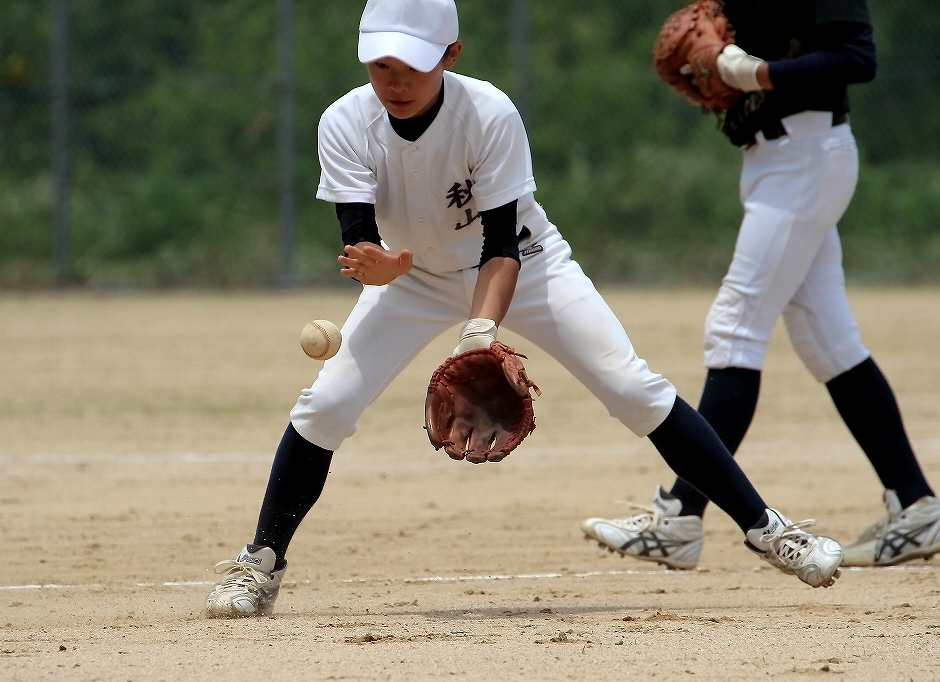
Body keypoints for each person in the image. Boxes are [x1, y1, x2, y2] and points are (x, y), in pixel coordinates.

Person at [204, 0, 846, 618]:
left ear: (450, 54)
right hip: (411, 280)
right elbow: (359, 237)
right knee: (326, 406)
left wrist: (478, 334)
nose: (395, 81)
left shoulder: (487, 113)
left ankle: (770, 530)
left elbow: (501, 247)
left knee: (632, 387)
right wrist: (376, 265)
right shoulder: (344, 121)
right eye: (380, 66)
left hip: (527, 267)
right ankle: (260, 561)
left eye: (413, 65)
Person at [581, 0, 939, 571]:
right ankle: (916, 504)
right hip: (775, 160)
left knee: (734, 329)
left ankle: (680, 515)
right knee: (829, 342)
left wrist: (753, 74)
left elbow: (857, 56)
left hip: (806, 155)